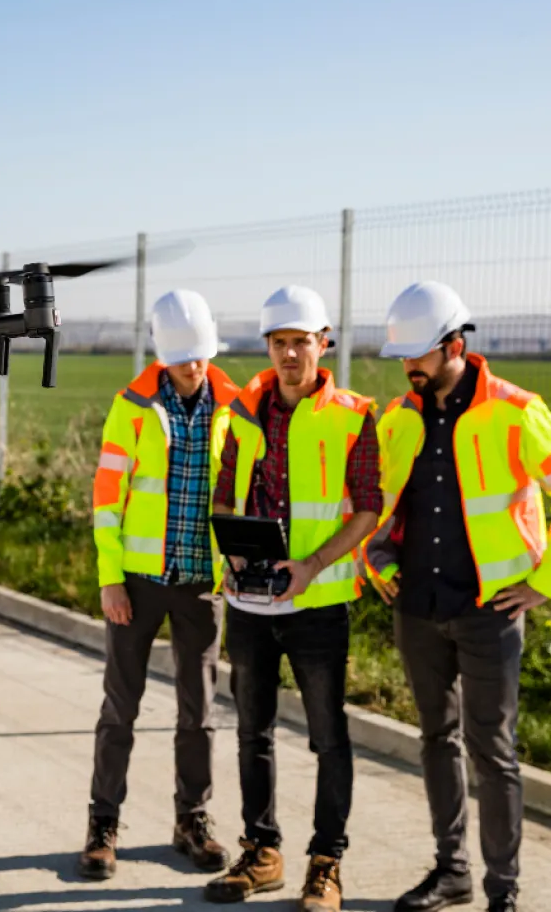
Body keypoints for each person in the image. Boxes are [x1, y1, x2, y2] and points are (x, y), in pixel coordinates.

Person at [362, 281, 551, 912]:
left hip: (490, 611)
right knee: (436, 740)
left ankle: (504, 892)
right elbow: (378, 504)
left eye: (418, 355)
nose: (409, 367)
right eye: (403, 357)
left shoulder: (516, 410)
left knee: (492, 753)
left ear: (454, 345)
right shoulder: (399, 417)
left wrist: (543, 583)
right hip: (417, 608)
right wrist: (374, 555)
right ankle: (451, 872)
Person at [203, 285, 381, 911]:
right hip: (250, 606)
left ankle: (326, 863)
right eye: (278, 343)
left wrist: (310, 565)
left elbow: (368, 510)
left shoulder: (354, 415)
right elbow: (224, 496)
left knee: (328, 738)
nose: (288, 355)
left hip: (317, 604)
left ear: (322, 343)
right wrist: (233, 554)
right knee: (252, 732)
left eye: (299, 342)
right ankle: (262, 852)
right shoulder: (245, 413)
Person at [81, 289, 241, 881]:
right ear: (162, 355)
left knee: (199, 713)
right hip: (138, 585)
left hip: (203, 583)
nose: (193, 368)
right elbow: (106, 498)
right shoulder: (132, 406)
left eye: (200, 356)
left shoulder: (235, 406)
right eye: (182, 359)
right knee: (120, 709)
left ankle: (192, 821)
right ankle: (102, 827)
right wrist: (110, 579)